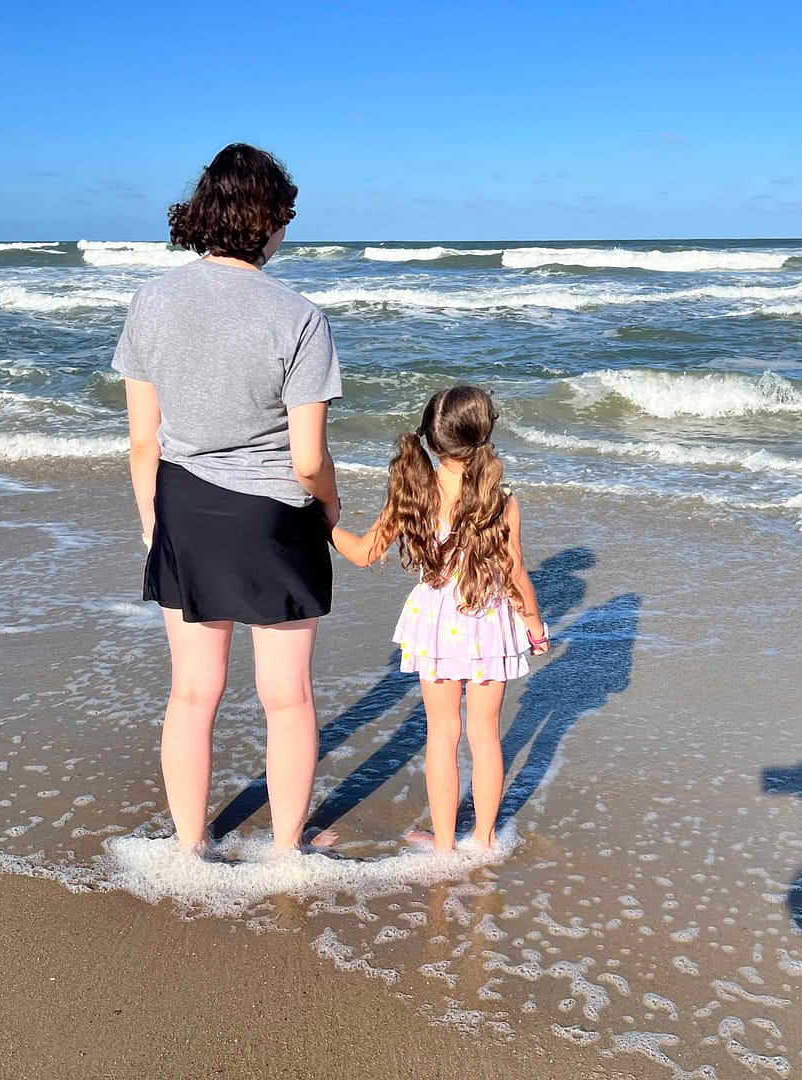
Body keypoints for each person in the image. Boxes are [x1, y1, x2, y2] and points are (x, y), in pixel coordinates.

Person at [113, 143, 342, 855]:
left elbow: (143, 441)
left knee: (191, 693)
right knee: (288, 698)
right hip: (274, 516)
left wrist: (155, 526)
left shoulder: (151, 301)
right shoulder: (298, 315)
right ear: (269, 219)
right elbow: (307, 460)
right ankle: (285, 851)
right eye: (288, 215)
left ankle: (188, 848)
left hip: (183, 506)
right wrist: (331, 511)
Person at [331, 386, 548, 852]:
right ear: (484, 435)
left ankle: (446, 845)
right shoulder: (501, 500)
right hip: (489, 619)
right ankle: (486, 840)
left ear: (431, 436)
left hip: (436, 624)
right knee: (486, 736)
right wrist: (534, 627)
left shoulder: (415, 493)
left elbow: (365, 553)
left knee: (441, 734)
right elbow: (516, 575)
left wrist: (322, 522)